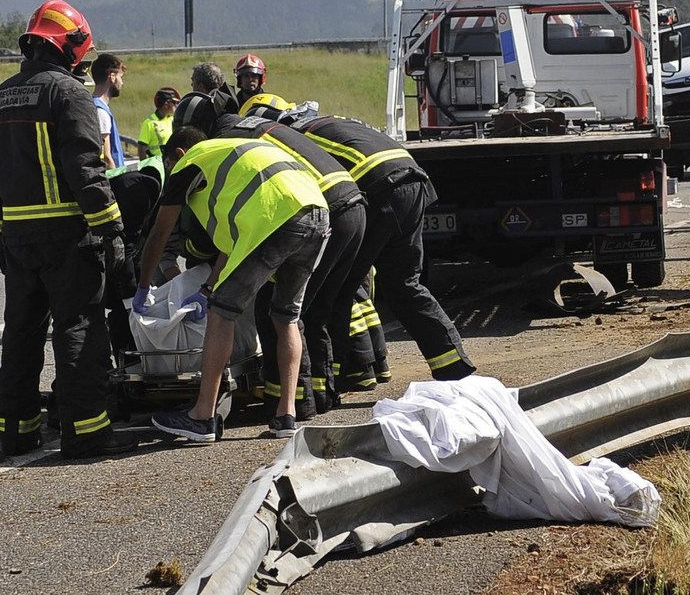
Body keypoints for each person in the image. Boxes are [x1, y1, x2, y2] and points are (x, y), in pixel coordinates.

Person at [0, 0, 133, 459]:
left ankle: (16, 431)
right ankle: (87, 433)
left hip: (18, 242)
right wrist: (112, 228)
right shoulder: (69, 94)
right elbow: (85, 167)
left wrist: (1, 229)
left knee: (20, 333)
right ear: (71, 47)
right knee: (78, 328)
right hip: (68, 239)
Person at [134, 127, 331, 442]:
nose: (171, 173)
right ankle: (286, 415)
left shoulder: (189, 163)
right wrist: (209, 288)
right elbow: (230, 247)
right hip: (317, 214)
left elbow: (160, 233)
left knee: (221, 313)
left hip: (276, 218)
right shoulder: (235, 154)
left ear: (179, 155)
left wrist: (144, 286)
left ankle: (202, 417)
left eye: (169, 164)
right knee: (285, 317)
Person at [212, 97, 370, 417]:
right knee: (319, 307)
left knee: (281, 312)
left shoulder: (244, 140)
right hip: (352, 203)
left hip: (321, 211)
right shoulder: (282, 133)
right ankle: (323, 393)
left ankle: (294, 402)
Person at [291, 114, 475, 388]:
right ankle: (453, 365)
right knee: (404, 285)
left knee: (341, 287)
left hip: (380, 189)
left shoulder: (294, 139)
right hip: (414, 181)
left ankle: (336, 378)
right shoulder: (332, 122)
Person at [174, 61, 239, 133]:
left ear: (200, 86)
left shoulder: (201, 115)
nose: (191, 84)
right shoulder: (231, 104)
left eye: (193, 81)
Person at [91, 53, 126, 169]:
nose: (122, 82)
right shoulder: (101, 111)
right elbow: (105, 157)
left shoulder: (94, 105)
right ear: (112, 77)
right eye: (121, 77)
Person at [138, 87, 178, 159]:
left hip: (169, 163)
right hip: (155, 164)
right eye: (174, 102)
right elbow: (142, 147)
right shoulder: (149, 123)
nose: (176, 105)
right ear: (166, 104)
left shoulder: (172, 120)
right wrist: (144, 168)